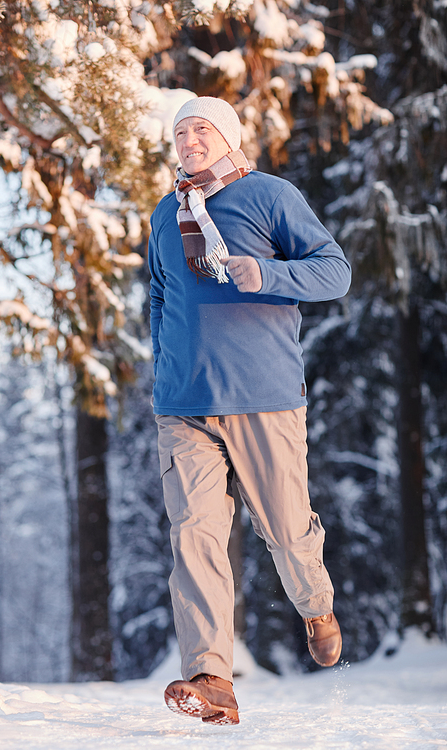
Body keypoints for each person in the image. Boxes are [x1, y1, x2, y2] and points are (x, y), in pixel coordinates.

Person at [148, 96, 351, 726]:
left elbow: (334, 272)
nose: (190, 140)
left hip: (262, 397)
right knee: (195, 537)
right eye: (180, 132)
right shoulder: (166, 212)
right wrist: (164, 369)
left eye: (202, 128)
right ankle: (212, 679)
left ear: (229, 137)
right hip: (183, 406)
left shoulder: (268, 196)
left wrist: (266, 274)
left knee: (286, 530)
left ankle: (316, 605)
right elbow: (159, 295)